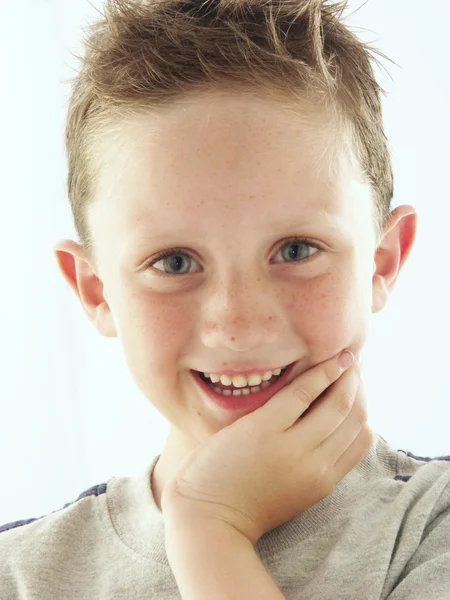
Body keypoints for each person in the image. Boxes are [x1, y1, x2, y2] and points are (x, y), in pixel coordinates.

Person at [1, 0, 449, 598]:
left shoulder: (428, 530)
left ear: (383, 260)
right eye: (174, 263)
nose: (238, 324)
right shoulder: (21, 576)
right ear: (95, 289)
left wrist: (210, 529)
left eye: (295, 250)